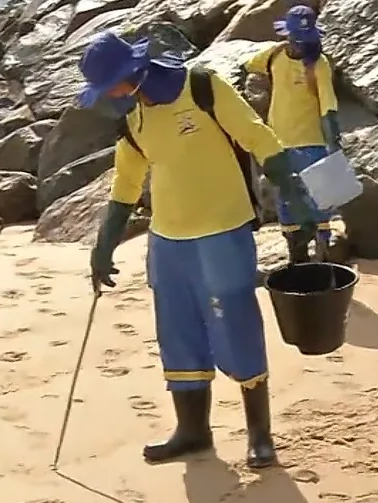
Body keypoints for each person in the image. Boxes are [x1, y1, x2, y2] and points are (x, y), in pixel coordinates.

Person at [77, 30, 320, 468]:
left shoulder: (202, 86)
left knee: (237, 323)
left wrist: (296, 192)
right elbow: (126, 183)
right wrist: (103, 245)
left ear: (131, 73)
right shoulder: (133, 119)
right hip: (167, 241)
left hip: (223, 230)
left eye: (108, 87)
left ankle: (259, 436)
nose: (108, 97)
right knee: (178, 330)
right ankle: (192, 431)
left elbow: (256, 136)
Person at [243, 3, 342, 264]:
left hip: (313, 143)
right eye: (296, 40)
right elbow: (250, 67)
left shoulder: (319, 64)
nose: (300, 46)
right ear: (286, 35)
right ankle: (296, 255)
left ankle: (324, 255)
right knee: (286, 201)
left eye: (304, 41)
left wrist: (334, 143)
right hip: (278, 143)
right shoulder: (273, 55)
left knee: (319, 202)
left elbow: (328, 106)